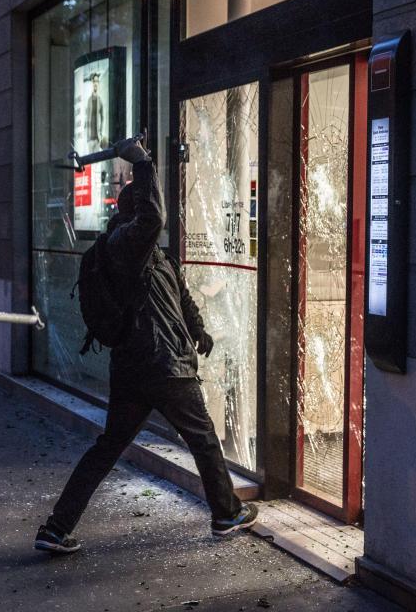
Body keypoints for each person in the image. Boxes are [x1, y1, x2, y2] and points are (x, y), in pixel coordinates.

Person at [34, 139, 257, 554]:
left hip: (140, 367)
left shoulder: (153, 254)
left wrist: (198, 329)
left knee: (109, 447)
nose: (154, 214)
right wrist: (142, 162)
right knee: (204, 439)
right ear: (132, 210)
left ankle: (56, 528)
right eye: (146, 204)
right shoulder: (123, 246)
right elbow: (153, 217)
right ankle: (226, 513)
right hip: (160, 364)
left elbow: (178, 295)